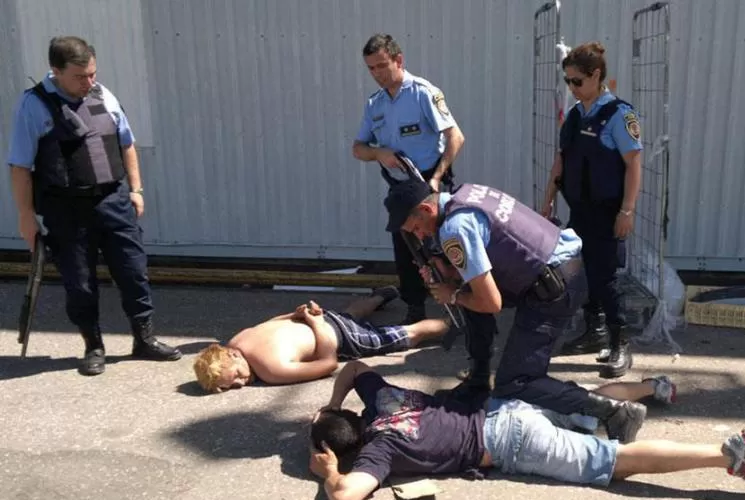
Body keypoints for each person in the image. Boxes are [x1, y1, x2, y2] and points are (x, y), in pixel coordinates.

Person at [306, 361, 745, 500]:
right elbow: (353, 367)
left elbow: (346, 499)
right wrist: (328, 404)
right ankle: (651, 389)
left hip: (511, 445)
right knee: (585, 399)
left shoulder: (378, 452)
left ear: (342, 448)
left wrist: (329, 473)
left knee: (616, 461)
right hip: (504, 410)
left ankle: (725, 456)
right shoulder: (382, 398)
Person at [383, 178, 648, 444]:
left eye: (416, 227)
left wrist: (451, 295)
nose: (420, 235)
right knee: (472, 301)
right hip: (560, 270)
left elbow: (490, 303)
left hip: (553, 289)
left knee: (516, 381)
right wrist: (448, 274)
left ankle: (615, 412)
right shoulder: (466, 194)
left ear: (428, 209)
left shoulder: (455, 229)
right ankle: (478, 381)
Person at [7, 36, 180, 376]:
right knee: (80, 282)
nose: (89, 82)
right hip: (66, 210)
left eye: (92, 74)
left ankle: (143, 339)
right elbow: (19, 167)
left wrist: (136, 189)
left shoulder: (103, 94)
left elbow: (126, 143)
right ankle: (93, 345)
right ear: (55, 71)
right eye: (80, 76)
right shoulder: (33, 106)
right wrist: (26, 217)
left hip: (114, 200)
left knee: (133, 271)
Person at [541, 42, 644, 378]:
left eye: (577, 81)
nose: (572, 88)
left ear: (596, 75)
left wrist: (626, 212)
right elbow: (562, 159)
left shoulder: (618, 115)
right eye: (568, 81)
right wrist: (547, 200)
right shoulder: (575, 114)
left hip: (607, 212)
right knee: (583, 272)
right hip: (580, 209)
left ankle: (620, 341)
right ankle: (594, 331)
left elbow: (634, 165)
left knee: (606, 277)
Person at [352, 33, 466, 326]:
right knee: (406, 250)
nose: (376, 74)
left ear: (398, 60)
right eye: (371, 68)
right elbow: (358, 149)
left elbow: (456, 137)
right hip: (401, 187)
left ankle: (467, 305)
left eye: (381, 66)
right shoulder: (374, 104)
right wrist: (379, 153)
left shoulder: (423, 93)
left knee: (446, 245)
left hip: (429, 181)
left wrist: (438, 179)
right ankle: (415, 309)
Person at [192, 287, 449, 393]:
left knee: (407, 335)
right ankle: (382, 296)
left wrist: (316, 324)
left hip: (339, 337)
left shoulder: (270, 369)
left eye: (236, 375)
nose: (240, 383)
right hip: (326, 321)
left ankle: (452, 323)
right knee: (351, 314)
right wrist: (301, 314)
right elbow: (275, 321)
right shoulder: (239, 339)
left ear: (232, 355)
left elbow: (329, 363)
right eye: (231, 386)